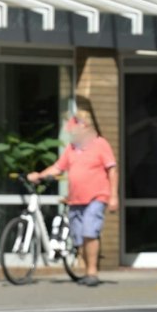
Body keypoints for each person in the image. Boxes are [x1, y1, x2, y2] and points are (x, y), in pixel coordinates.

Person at [28, 109, 118, 286]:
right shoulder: (72, 148)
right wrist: (39, 175)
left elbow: (112, 170)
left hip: (96, 196)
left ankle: (92, 272)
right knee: (78, 238)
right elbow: (58, 167)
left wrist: (113, 196)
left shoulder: (100, 144)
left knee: (89, 231)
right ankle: (87, 271)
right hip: (76, 199)